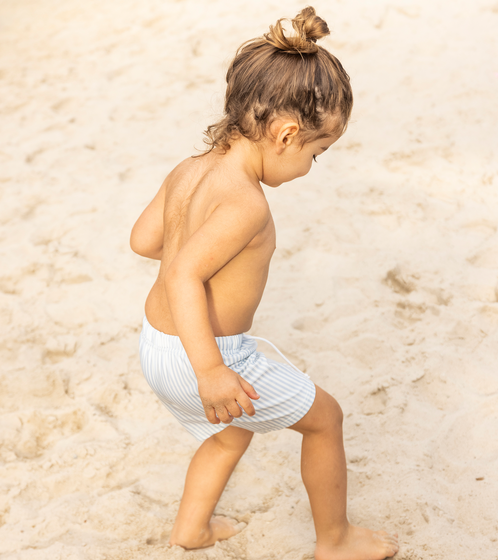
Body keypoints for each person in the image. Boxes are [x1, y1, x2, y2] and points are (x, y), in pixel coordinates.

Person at [130, 7, 399, 560]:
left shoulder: (189, 167)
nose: (310, 166)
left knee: (230, 433)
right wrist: (211, 370)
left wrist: (193, 245)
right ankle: (336, 541)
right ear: (285, 133)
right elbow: (183, 272)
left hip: (156, 343)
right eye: (316, 154)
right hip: (202, 355)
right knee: (326, 420)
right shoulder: (246, 203)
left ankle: (192, 530)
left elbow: (144, 242)